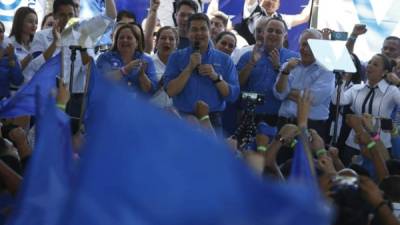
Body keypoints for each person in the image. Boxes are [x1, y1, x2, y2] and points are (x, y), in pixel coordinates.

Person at [27, 0, 117, 134]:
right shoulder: (42, 36)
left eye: (70, 15)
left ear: (76, 14)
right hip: (46, 100)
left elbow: (110, 16)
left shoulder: (83, 33)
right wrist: (55, 44)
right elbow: (37, 67)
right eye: (62, 15)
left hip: (73, 102)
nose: (67, 19)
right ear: (55, 16)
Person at [163, 13, 240, 134]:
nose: (199, 33)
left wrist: (215, 77)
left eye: (203, 29)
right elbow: (170, 91)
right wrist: (189, 68)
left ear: (209, 31)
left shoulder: (225, 60)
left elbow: (232, 96)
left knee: (212, 153)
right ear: (188, 33)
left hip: (213, 120)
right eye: (194, 29)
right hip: (182, 119)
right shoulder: (176, 57)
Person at [332, 53, 400, 164]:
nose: (369, 66)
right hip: (354, 143)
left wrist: (398, 83)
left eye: (375, 64)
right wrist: (343, 80)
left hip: (379, 144)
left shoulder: (391, 91)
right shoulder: (356, 88)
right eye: (369, 63)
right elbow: (337, 101)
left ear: (385, 72)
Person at [274, 29, 335, 141]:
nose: (306, 49)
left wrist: (287, 93)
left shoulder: (326, 71)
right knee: (280, 157)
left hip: (312, 126)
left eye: (311, 45)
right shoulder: (288, 65)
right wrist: (286, 70)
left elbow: (312, 98)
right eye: (304, 44)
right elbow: (278, 94)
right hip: (284, 123)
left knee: (306, 158)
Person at [237, 17, 298, 127]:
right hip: (249, 116)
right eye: (270, 30)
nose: (273, 34)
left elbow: (296, 90)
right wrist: (251, 63)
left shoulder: (293, 59)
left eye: (278, 32)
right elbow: (237, 85)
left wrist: (278, 67)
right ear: (263, 33)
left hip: (279, 119)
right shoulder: (247, 56)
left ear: (285, 36)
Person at [96, 24, 157, 96]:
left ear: (137, 43)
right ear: (116, 41)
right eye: (121, 38)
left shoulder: (146, 60)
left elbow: (151, 91)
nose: (125, 40)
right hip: (111, 104)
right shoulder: (105, 58)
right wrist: (125, 70)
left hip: (138, 105)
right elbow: (101, 83)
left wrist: (142, 75)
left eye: (129, 38)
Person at [237, 0, 312, 44]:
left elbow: (304, 17)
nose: (270, 2)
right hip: (250, 55)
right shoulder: (251, 10)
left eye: (274, 0)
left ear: (278, 5)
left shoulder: (282, 19)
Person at [150, 26, 178, 108]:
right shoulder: (147, 63)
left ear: (176, 45)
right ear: (156, 42)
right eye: (163, 38)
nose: (167, 41)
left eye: (171, 39)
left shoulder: (182, 66)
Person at [0, 21, 24, 99]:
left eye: (0, 31)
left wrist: (11, 59)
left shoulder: (9, 53)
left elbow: (18, 81)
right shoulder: (5, 52)